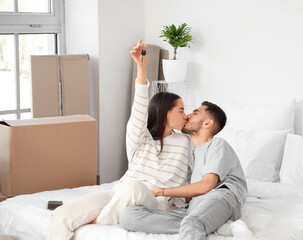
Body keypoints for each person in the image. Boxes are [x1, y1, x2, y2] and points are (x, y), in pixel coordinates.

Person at [47, 40, 192, 240]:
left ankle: (101, 221)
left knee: (134, 188)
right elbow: (139, 106)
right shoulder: (140, 138)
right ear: (164, 112)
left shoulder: (186, 142)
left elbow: (197, 176)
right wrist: (141, 68)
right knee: (63, 214)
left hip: (155, 200)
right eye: (181, 110)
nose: (186, 115)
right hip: (118, 193)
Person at [119, 101, 248, 240]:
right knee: (128, 216)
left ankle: (203, 222)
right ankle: (213, 225)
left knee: (192, 222)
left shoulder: (217, 144)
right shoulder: (191, 154)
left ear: (207, 123)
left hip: (221, 196)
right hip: (194, 207)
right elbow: (188, 196)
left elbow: (207, 186)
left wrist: (161, 191)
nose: (188, 115)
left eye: (195, 113)